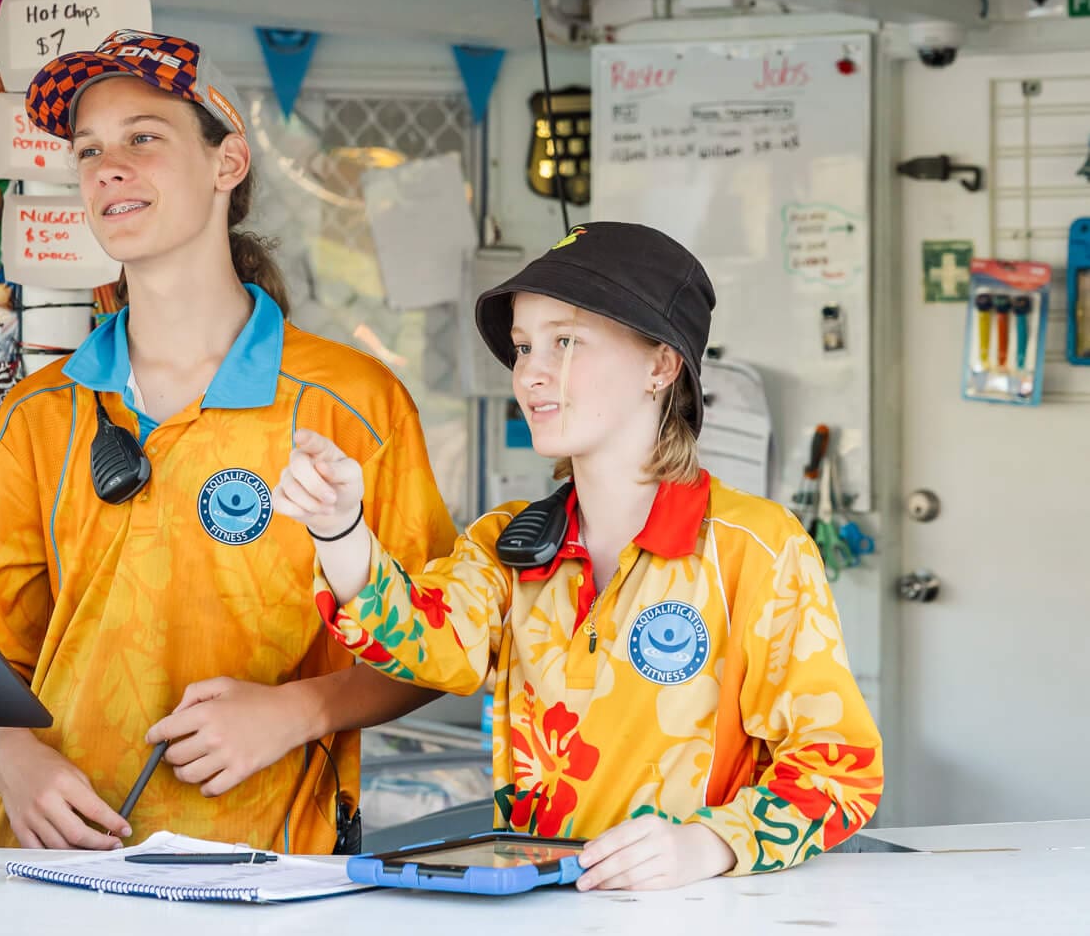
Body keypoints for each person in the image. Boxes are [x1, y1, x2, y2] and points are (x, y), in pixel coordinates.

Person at [272, 220, 883, 892]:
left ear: (660, 364)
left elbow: (838, 770)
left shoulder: (753, 548)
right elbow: (427, 643)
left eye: (565, 343)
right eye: (523, 346)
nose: (530, 373)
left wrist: (705, 846)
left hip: (700, 925)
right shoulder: (506, 543)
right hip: (537, 913)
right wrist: (339, 526)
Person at [0, 28, 454, 853]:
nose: (107, 169)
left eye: (143, 139)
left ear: (227, 165)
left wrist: (301, 711)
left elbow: (436, 641)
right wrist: (10, 754)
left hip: (266, 863)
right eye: (88, 151)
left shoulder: (351, 402)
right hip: (43, 858)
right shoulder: (42, 411)